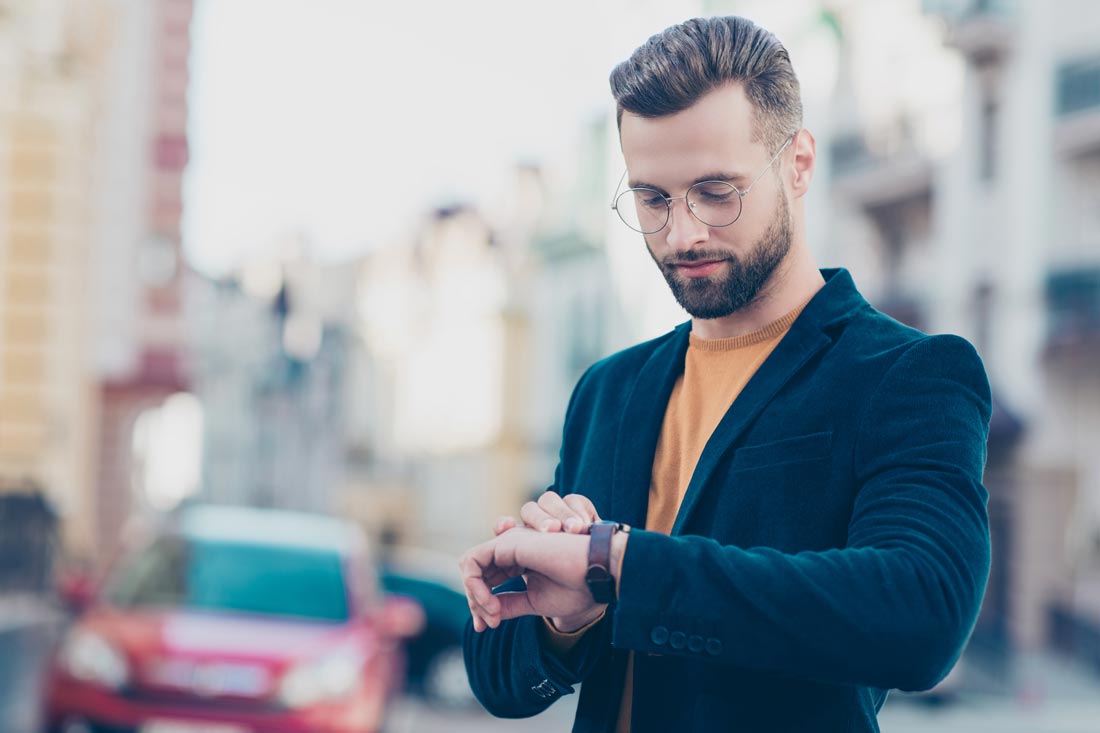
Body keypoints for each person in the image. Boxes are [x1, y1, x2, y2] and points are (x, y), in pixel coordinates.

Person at [459, 15, 992, 733]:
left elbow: (924, 614)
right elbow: (501, 680)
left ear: (799, 163)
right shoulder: (607, 392)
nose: (682, 233)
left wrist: (622, 565)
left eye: (717, 191)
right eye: (652, 199)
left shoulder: (908, 376)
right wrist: (567, 619)